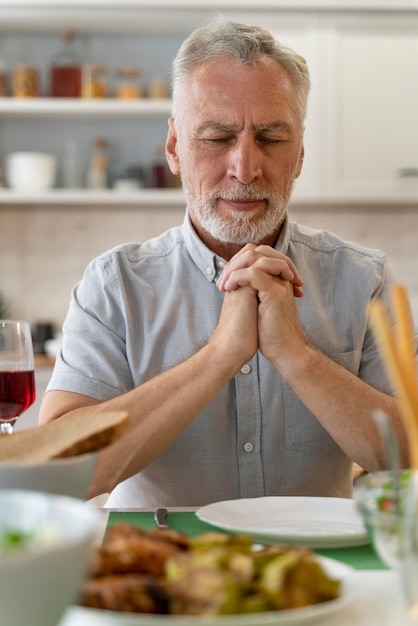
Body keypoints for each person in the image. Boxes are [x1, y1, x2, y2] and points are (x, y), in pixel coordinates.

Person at [39, 18, 414, 507]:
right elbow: (59, 472)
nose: (245, 167)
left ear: (299, 153)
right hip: (160, 570)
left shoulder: (363, 279)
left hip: (318, 574)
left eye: (272, 139)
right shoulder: (114, 285)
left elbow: (410, 459)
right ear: (175, 147)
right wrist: (220, 355)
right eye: (218, 138)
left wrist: (297, 355)